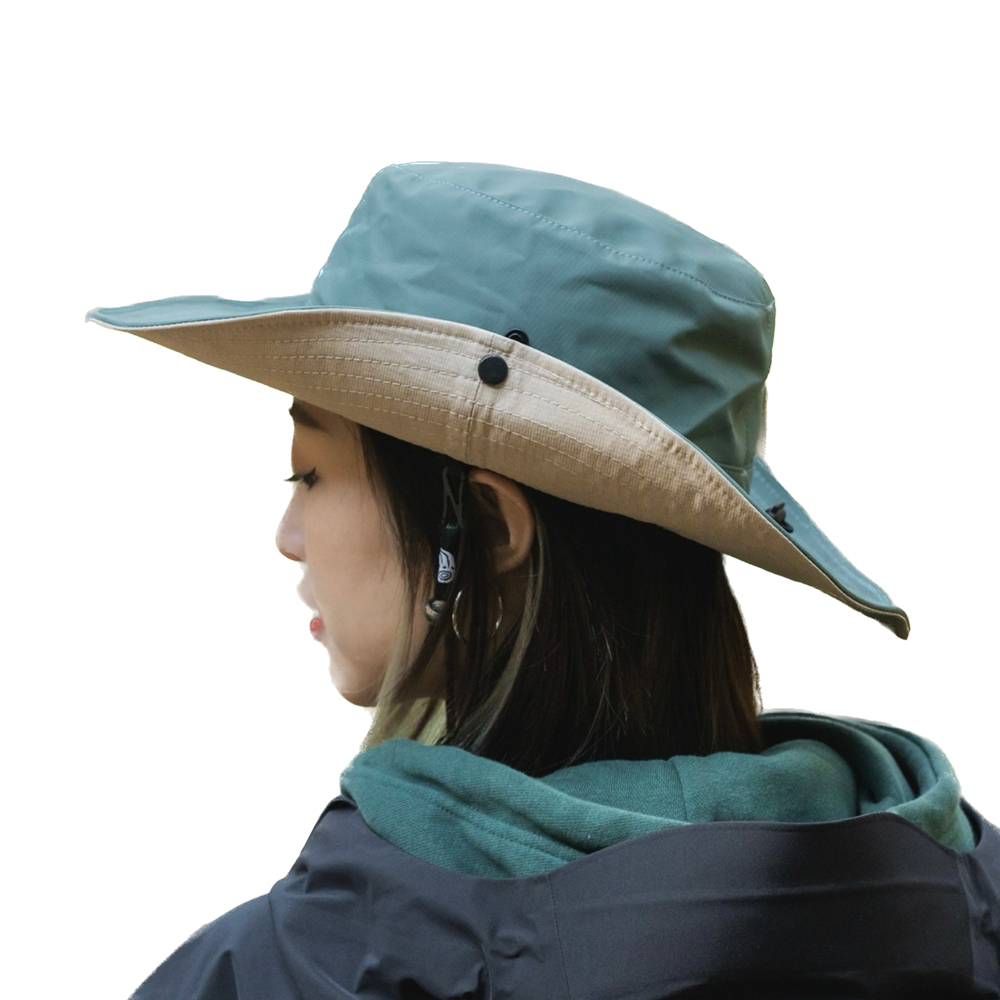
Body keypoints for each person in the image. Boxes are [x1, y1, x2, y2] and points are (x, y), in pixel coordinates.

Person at [88, 162, 1000, 997]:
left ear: (487, 529)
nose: (288, 538)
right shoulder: (969, 907)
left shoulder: (288, 970)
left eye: (309, 473)